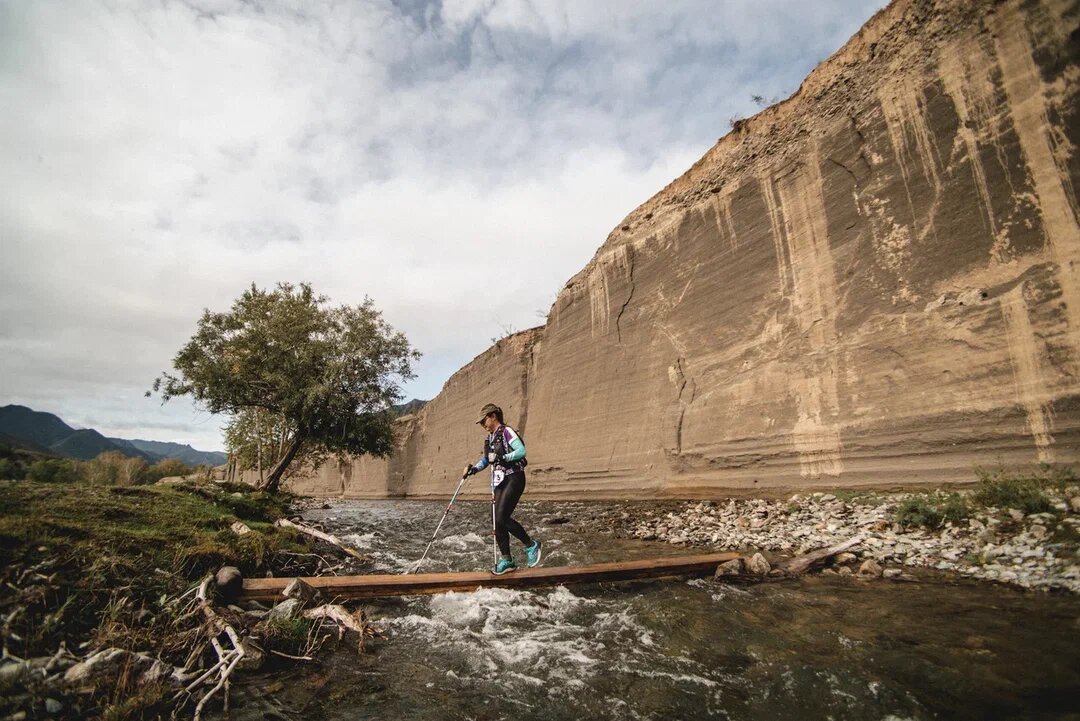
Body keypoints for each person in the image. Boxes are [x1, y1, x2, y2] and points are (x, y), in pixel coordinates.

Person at [463, 403, 542, 575]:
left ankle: (531, 545)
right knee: (496, 520)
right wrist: (474, 469)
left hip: (514, 477)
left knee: (502, 517)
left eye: (484, 420)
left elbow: (521, 451)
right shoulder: (490, 438)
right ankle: (507, 560)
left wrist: (503, 457)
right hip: (499, 481)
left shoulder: (507, 431)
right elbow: (487, 460)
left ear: (493, 416)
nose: (482, 424)